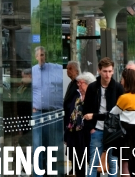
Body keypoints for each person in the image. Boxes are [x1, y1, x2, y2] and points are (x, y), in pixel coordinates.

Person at [83, 57, 123, 177]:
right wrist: (91, 128)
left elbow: (119, 112)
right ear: (99, 70)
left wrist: (94, 116)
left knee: (113, 163)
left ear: (113, 71)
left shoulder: (118, 88)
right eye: (105, 71)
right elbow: (86, 110)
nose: (107, 74)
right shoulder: (92, 87)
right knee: (93, 164)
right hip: (97, 129)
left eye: (110, 71)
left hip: (113, 131)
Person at [32, 46, 63, 175]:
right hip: (37, 112)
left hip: (52, 113)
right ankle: (38, 173)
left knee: (52, 143)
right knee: (37, 144)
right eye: (39, 55)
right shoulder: (32, 71)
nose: (41, 57)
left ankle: (51, 172)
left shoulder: (54, 68)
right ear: (35, 57)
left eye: (43, 55)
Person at [110, 68, 135, 177]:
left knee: (124, 166)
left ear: (127, 80)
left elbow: (112, 113)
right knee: (128, 164)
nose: (121, 81)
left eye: (122, 78)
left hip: (123, 134)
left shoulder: (124, 98)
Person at [65, 72, 96, 177]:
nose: (78, 85)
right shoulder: (76, 95)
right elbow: (69, 111)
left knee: (90, 158)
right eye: (78, 83)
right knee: (76, 159)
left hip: (87, 133)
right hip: (73, 132)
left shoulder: (94, 96)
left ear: (88, 83)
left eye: (80, 83)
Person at [64, 61, 80, 129]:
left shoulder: (79, 83)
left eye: (70, 69)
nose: (68, 71)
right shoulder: (71, 83)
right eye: (67, 69)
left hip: (74, 118)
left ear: (77, 71)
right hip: (67, 116)